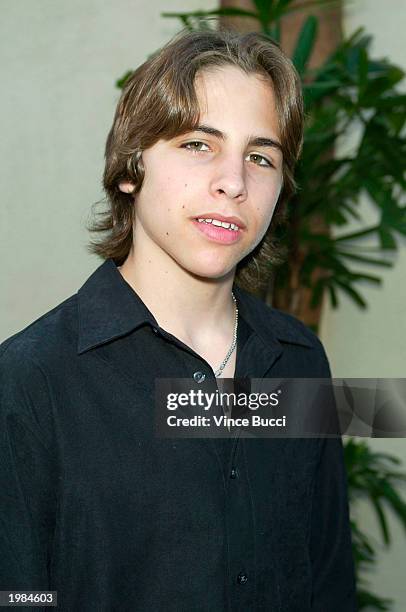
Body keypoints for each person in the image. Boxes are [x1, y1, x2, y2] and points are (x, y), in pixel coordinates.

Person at [0, 28, 357, 611]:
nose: (234, 183)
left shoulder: (298, 359)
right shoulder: (31, 381)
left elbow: (328, 581)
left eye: (260, 157)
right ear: (129, 169)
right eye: (198, 144)